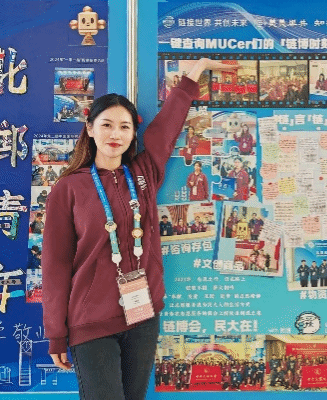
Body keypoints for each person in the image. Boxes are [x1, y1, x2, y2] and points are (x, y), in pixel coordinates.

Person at [41, 58, 235, 400]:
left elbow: (166, 129)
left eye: (125, 127)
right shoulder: (68, 189)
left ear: (133, 134)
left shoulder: (143, 175)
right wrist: (56, 333)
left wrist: (195, 72)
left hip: (142, 317)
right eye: (107, 125)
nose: (115, 134)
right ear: (90, 128)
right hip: (91, 322)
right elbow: (55, 265)